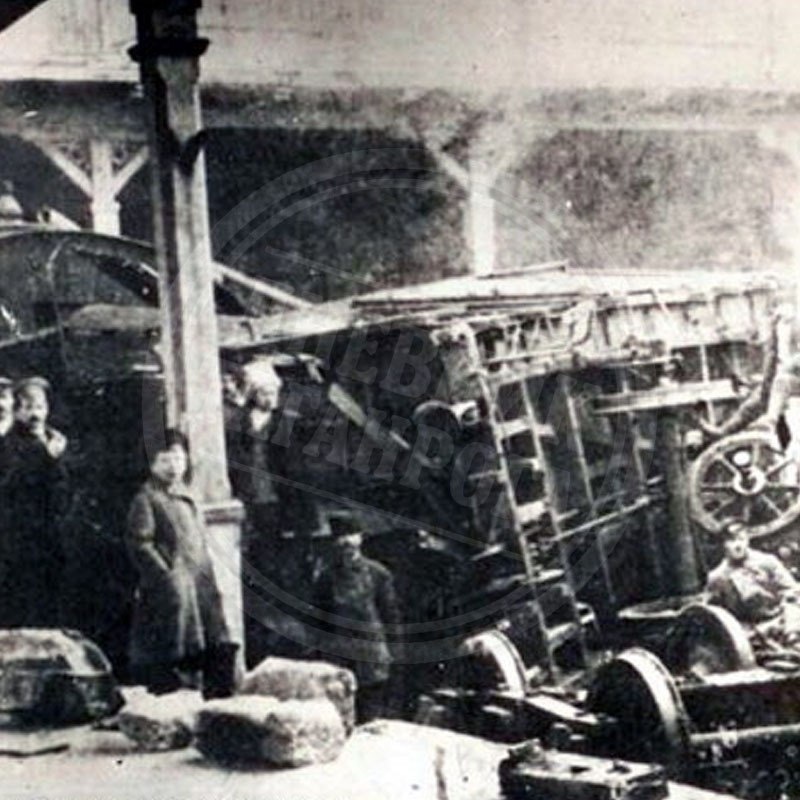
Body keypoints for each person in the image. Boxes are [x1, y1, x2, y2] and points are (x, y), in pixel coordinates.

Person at [126, 429, 236, 697]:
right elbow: (140, 543)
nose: (172, 466)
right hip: (172, 588)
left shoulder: (189, 495)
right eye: (164, 460)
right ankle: (176, 698)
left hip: (200, 581)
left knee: (213, 638)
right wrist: (165, 576)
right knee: (177, 644)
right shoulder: (147, 498)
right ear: (152, 464)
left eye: (178, 458)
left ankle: (214, 697)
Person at [315, 514, 401, 723]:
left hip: (371, 654)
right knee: (340, 714)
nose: (347, 541)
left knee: (370, 717)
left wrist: (395, 651)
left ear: (360, 537)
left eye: (351, 534)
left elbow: (390, 615)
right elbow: (320, 618)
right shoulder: (326, 577)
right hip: (340, 655)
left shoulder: (378, 573)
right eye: (341, 536)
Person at [0, 377, 69, 627]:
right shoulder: (8, 443)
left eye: (40, 407)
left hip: (51, 536)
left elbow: (65, 490)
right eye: (28, 407)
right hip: (17, 539)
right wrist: (46, 457)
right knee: (20, 604)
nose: (35, 414)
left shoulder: (56, 440)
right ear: (17, 411)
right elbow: (10, 484)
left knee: (49, 604)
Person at [705, 521, 800, 649]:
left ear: (747, 540)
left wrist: (790, 625)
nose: (738, 545)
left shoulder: (767, 562)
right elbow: (714, 614)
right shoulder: (717, 577)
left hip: (781, 619)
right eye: (731, 541)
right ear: (723, 544)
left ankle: (794, 641)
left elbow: (791, 590)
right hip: (751, 631)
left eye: (741, 539)